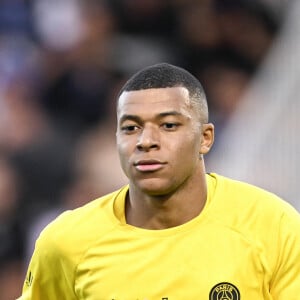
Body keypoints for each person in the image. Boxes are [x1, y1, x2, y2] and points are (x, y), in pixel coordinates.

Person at [18, 63, 300, 299]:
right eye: (130, 128)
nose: (146, 141)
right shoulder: (66, 242)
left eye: (168, 125)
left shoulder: (274, 226)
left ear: (205, 138)